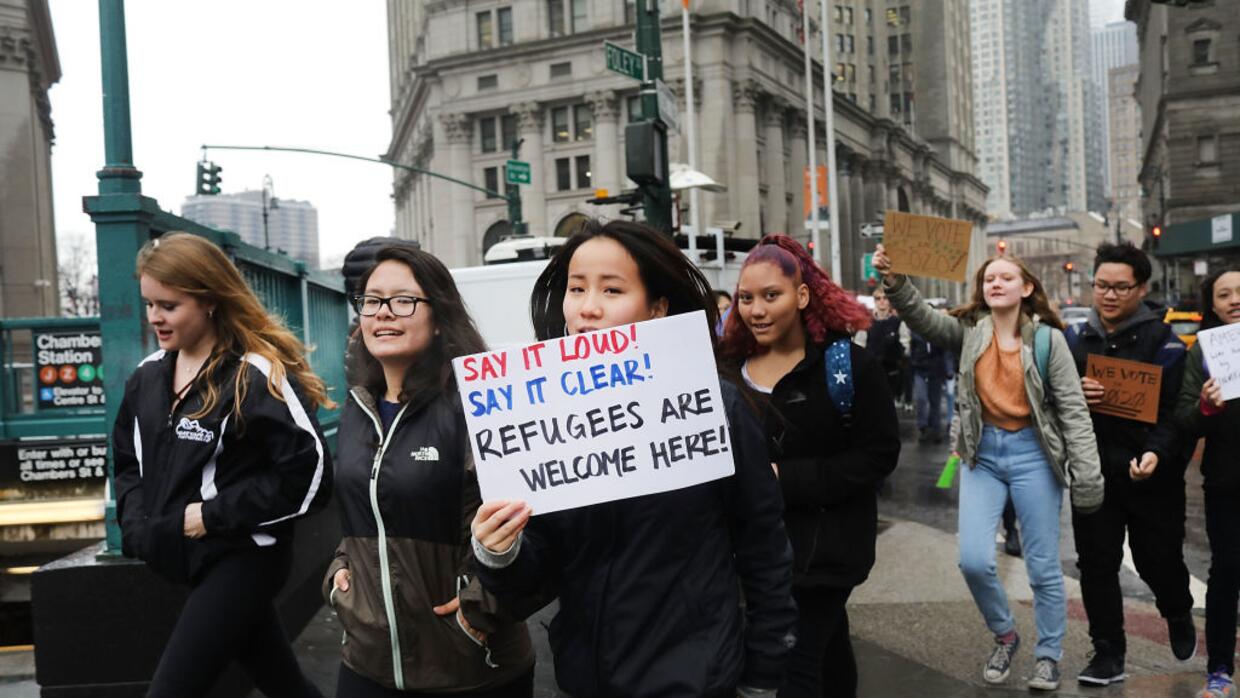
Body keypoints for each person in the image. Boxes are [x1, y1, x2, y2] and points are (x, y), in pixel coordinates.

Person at [471, 219, 797, 697]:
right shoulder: (543, 422)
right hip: (586, 679)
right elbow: (533, 580)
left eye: (612, 290)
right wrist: (499, 551)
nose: (588, 308)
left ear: (657, 308)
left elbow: (764, 551)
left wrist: (763, 678)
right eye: (576, 288)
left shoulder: (714, 408)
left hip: (694, 681)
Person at [872, 244, 1103, 692]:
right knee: (974, 560)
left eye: (1006, 278)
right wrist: (896, 282)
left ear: (1027, 288)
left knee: (1042, 569)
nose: (995, 283)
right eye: (988, 279)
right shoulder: (970, 331)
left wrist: (1088, 474)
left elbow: (1074, 410)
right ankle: (1006, 635)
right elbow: (924, 319)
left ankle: (1048, 656)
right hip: (983, 455)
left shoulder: (1047, 340)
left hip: (1034, 455)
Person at [112, 232, 333, 698]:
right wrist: (138, 528)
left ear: (209, 300)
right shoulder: (148, 376)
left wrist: (209, 516)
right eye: (149, 303)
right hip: (184, 557)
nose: (155, 317)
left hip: (246, 557)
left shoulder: (254, 374)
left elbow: (310, 476)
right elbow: (129, 462)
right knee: (282, 681)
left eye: (168, 306)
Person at [326, 246, 539, 696]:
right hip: (368, 660)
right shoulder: (357, 406)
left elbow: (533, 523)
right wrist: (340, 570)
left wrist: (479, 611)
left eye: (403, 300)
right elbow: (361, 511)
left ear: (439, 317)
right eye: (371, 300)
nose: (383, 313)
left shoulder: (481, 406)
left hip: (469, 665)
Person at [720, 234, 900, 697]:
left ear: (802, 296)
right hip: (753, 555)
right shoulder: (726, 369)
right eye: (746, 298)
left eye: (770, 296)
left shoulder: (849, 368)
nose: (756, 310)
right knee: (827, 650)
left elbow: (878, 454)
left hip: (824, 557)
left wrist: (784, 480)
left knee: (791, 665)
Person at [1066, 242, 1195, 686]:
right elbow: (1051, 404)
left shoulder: (1167, 344)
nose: (1109, 295)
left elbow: (1178, 413)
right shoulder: (1073, 340)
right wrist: (1073, 395)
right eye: (1102, 285)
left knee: (1157, 560)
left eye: (1121, 287)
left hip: (1151, 474)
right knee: (1096, 564)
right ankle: (1107, 652)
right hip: (1093, 472)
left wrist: (1158, 453)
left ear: (1141, 289)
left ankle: (1177, 610)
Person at [1176, 268, 1240, 698]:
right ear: (1212, 305)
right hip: (1227, 480)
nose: (1235, 299)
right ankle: (1219, 669)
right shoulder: (1204, 351)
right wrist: (1206, 407)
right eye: (1224, 294)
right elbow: (1183, 418)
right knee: (1227, 572)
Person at [865, 287, 907, 400]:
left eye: (885, 298)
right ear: (874, 301)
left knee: (889, 406)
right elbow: (859, 345)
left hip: (892, 371)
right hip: (872, 371)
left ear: (889, 301)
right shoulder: (867, 322)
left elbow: (905, 345)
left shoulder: (898, 322)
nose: (882, 301)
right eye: (878, 298)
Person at [910, 328, 949, 444]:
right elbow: (912, 350)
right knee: (921, 398)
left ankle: (935, 428)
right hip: (920, 369)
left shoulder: (938, 333)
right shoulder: (915, 333)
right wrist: (913, 363)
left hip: (935, 371)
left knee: (935, 401)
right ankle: (923, 427)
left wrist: (947, 369)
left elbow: (945, 352)